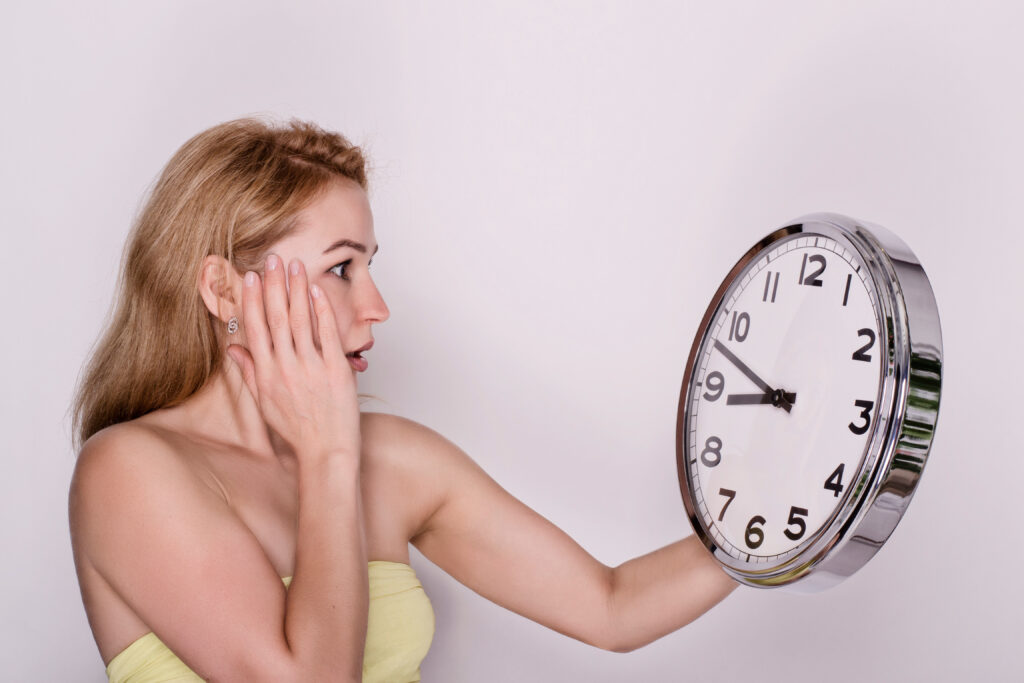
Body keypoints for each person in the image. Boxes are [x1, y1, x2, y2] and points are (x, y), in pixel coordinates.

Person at [68, 117, 736, 683]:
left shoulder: (391, 459)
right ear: (223, 289)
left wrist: (785, 524)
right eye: (341, 268)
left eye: (370, 265)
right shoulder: (127, 471)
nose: (378, 306)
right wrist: (328, 452)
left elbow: (611, 607)